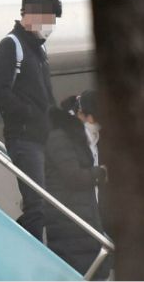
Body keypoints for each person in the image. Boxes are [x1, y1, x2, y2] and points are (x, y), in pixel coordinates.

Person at [0, 0, 62, 241]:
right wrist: (30, 113)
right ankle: (27, 253)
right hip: (23, 138)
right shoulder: (11, 45)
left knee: (47, 205)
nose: (50, 26)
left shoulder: (38, 50)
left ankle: (19, 242)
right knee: (36, 204)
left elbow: (46, 96)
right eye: (47, 18)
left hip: (43, 137)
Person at [45, 91, 109, 276]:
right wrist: (100, 172)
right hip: (69, 223)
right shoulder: (61, 137)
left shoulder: (85, 139)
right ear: (83, 115)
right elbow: (73, 177)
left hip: (85, 220)